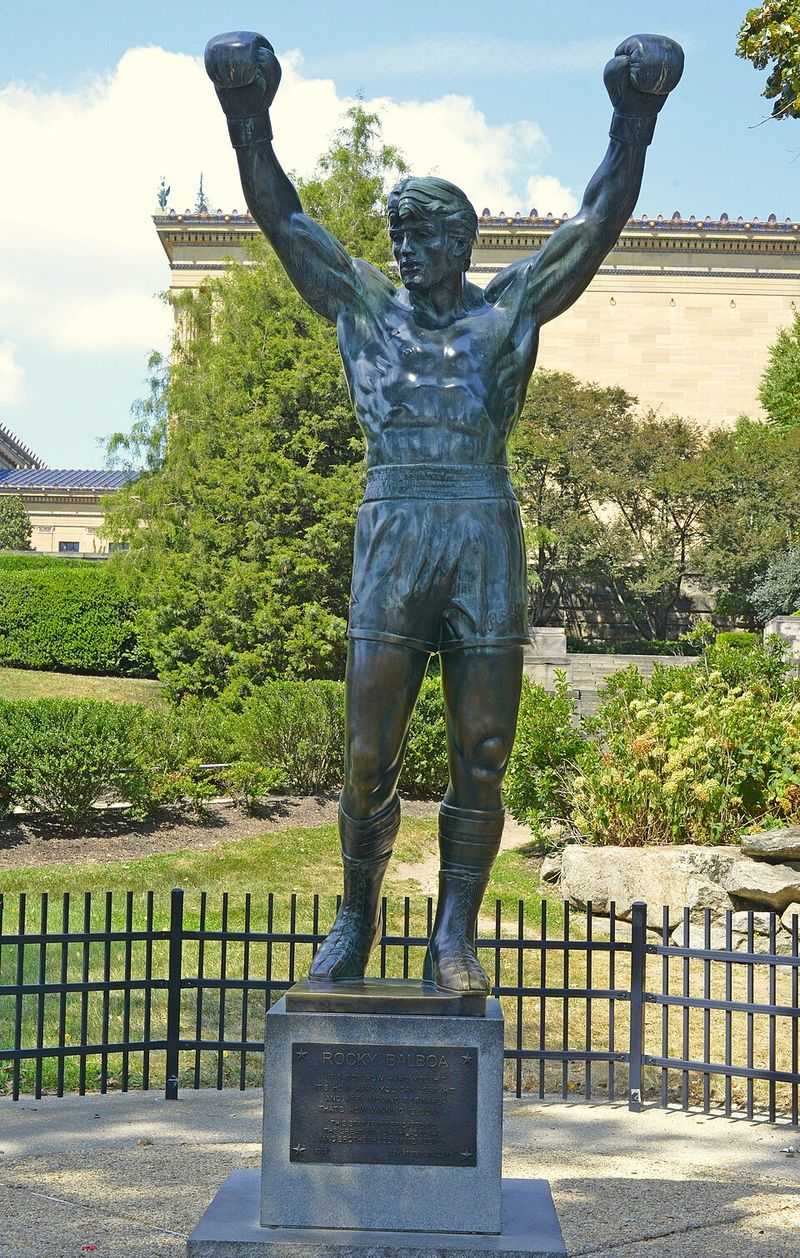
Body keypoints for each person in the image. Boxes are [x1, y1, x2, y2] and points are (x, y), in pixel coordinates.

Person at [204, 30, 684, 992]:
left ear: (461, 243)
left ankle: (453, 936)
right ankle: (355, 918)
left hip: (481, 531)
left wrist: (634, 118)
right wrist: (247, 113)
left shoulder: (509, 312)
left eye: (423, 236)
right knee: (366, 753)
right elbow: (284, 216)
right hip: (394, 529)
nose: (405, 249)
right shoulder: (365, 310)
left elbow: (595, 222)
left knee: (485, 750)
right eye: (398, 235)